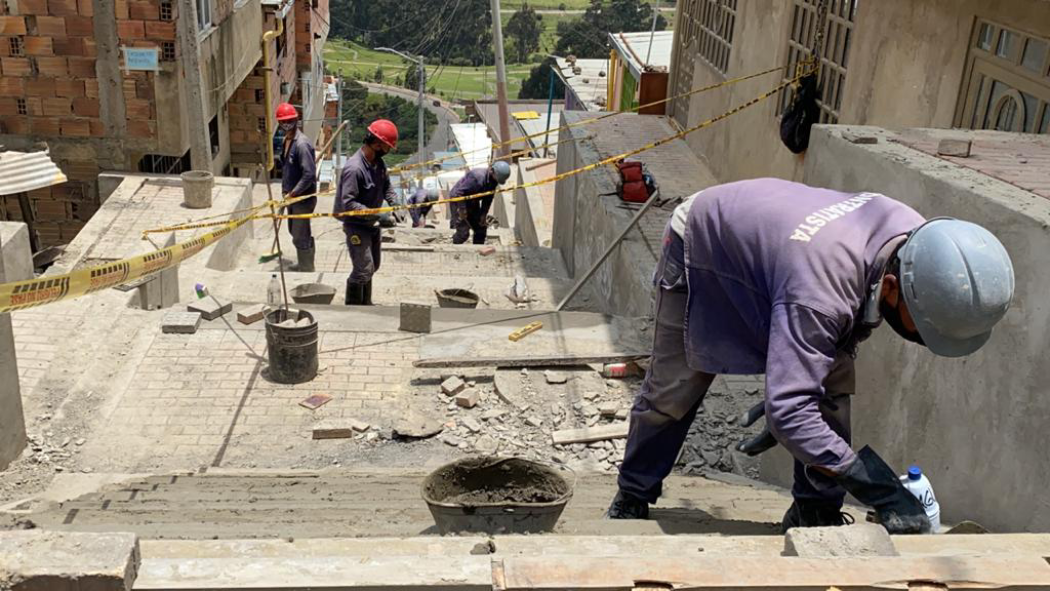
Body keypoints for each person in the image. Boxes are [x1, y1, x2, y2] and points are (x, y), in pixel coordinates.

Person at [606, 178, 1015, 534]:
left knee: (831, 389)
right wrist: (877, 487)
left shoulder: (916, 243)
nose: (926, 337)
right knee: (674, 390)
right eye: (924, 325)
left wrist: (796, 397)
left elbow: (838, 340)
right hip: (702, 241)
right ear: (891, 287)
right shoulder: (823, 293)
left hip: (784, 256)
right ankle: (633, 494)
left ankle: (815, 512)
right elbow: (793, 405)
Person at [334, 119, 401, 306]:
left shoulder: (378, 163)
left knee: (373, 266)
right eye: (386, 147)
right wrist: (378, 214)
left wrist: (395, 203)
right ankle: (354, 309)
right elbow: (349, 204)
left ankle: (366, 303)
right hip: (356, 226)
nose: (387, 151)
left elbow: (386, 185)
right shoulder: (354, 169)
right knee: (363, 269)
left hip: (371, 223)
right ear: (377, 144)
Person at [276, 102, 317, 272]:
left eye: (290, 120)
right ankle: (303, 262)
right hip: (291, 197)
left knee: (300, 233)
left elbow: (309, 174)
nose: (286, 124)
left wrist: (293, 193)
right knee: (294, 230)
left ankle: (306, 268)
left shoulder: (301, 144)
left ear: (296, 120)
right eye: (283, 121)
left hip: (302, 198)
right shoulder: (287, 140)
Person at [449, 160, 511, 245]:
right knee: (463, 233)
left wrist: (483, 214)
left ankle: (478, 251)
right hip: (458, 200)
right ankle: (454, 247)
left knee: (481, 229)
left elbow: (488, 198)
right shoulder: (477, 178)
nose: (496, 181)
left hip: (473, 200)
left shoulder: (493, 180)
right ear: (492, 171)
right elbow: (460, 193)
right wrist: (462, 210)